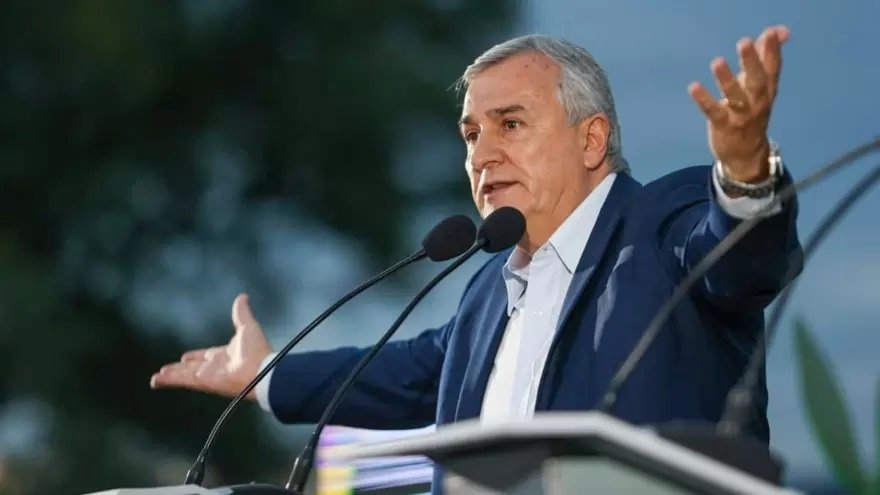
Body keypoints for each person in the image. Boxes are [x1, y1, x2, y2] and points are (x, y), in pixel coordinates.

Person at [151, 23, 802, 479]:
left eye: (510, 124)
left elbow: (741, 259)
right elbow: (398, 374)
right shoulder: (487, 291)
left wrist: (744, 171)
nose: (482, 154)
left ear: (590, 139)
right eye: (470, 134)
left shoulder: (663, 225)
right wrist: (265, 373)